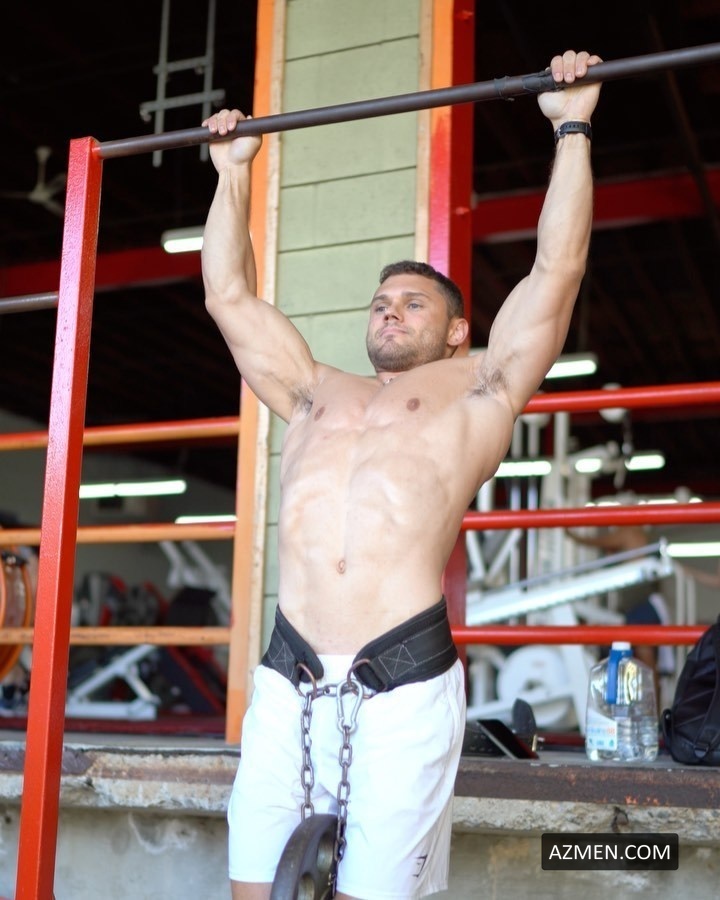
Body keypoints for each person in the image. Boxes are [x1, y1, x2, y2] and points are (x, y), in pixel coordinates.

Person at [202, 49, 602, 900]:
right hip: (286, 672)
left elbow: (556, 274)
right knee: (250, 889)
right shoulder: (313, 391)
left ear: (457, 331)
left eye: (413, 304)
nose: (390, 313)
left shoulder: (483, 388)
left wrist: (572, 126)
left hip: (403, 680)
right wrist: (233, 172)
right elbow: (229, 298)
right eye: (381, 304)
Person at [565, 524, 674, 693]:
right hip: (642, 603)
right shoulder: (641, 536)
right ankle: (653, 706)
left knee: (646, 660)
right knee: (646, 661)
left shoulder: (629, 532)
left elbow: (600, 541)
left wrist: (573, 536)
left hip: (641, 604)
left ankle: (652, 707)